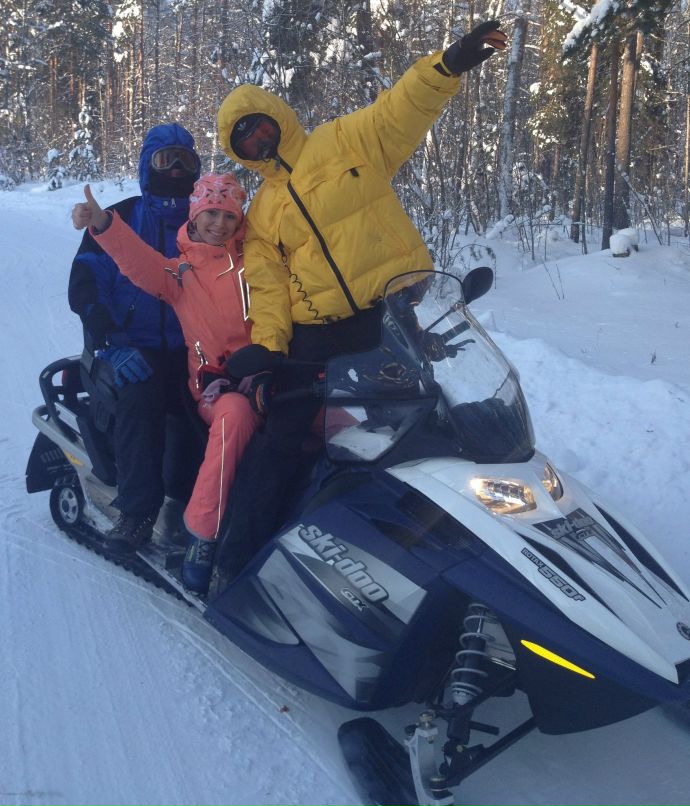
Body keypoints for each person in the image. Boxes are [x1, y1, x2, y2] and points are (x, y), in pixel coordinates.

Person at [212, 20, 508, 580]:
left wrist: (446, 66)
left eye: (261, 127)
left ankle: (448, 543)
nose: (259, 142)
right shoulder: (263, 214)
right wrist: (270, 349)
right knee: (282, 436)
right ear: (239, 152)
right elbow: (268, 288)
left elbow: (400, 111)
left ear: (279, 117)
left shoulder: (344, 141)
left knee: (425, 421)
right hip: (316, 335)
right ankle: (235, 556)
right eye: (244, 141)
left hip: (388, 316)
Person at [71, 173, 261, 595]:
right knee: (233, 415)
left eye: (228, 215)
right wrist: (103, 224)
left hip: (268, 376)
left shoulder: (257, 261)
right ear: (194, 216)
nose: (219, 224)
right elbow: (138, 260)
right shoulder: (179, 273)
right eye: (210, 213)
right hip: (217, 385)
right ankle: (201, 535)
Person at [68, 123, 202, 553]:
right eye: (166, 160)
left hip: (190, 349)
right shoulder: (119, 219)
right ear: (147, 166)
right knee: (141, 398)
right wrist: (110, 339)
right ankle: (137, 513)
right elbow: (85, 286)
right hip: (129, 345)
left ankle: (206, 510)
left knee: (215, 411)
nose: (176, 170)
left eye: (185, 160)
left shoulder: (205, 225)